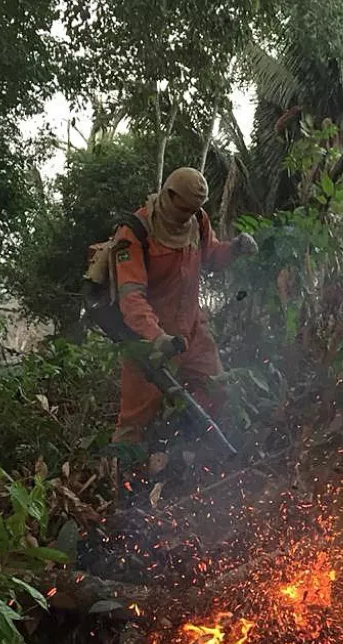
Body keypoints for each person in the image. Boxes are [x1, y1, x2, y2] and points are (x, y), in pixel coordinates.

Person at [112, 166, 257, 450]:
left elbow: (211, 256)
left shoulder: (198, 221)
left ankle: (184, 450)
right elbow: (131, 297)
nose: (186, 217)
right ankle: (124, 469)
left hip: (192, 330)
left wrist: (234, 249)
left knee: (216, 388)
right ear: (168, 195)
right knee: (134, 419)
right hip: (147, 340)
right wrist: (156, 337)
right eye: (183, 210)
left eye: (192, 210)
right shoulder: (134, 232)